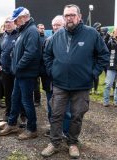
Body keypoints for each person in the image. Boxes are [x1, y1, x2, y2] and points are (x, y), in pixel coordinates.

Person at [41, 4, 109, 158]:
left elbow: (104, 55)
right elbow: (47, 54)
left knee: (77, 116)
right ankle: (54, 142)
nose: (69, 18)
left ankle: (72, 143)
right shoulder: (57, 35)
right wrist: (52, 71)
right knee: (56, 115)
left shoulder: (91, 34)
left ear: (79, 16)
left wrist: (93, 73)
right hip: (59, 85)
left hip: (81, 85)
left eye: (72, 15)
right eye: (66, 15)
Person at [0, 7, 41, 140]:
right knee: (14, 98)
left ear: (23, 17)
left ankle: (32, 129)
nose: (15, 23)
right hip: (20, 74)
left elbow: (30, 53)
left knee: (27, 101)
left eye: (16, 20)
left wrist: (17, 67)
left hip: (27, 74)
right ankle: (11, 123)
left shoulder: (31, 31)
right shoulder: (24, 30)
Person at [41, 15, 71, 138]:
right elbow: (45, 59)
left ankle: (66, 131)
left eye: (58, 25)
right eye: (53, 25)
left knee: (67, 110)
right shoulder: (48, 40)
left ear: (64, 25)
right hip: (50, 81)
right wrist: (51, 72)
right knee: (51, 107)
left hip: (66, 82)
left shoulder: (70, 40)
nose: (55, 27)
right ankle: (54, 129)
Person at [103, 27, 117, 107]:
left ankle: (116, 102)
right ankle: (106, 101)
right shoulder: (111, 42)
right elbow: (103, 46)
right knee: (108, 84)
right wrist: (108, 36)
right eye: (116, 32)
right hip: (111, 66)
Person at [34, 24, 48, 107]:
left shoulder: (47, 39)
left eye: (43, 28)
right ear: (37, 29)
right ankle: (37, 100)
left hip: (44, 65)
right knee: (36, 85)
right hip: (36, 65)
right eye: (40, 28)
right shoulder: (35, 39)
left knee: (47, 85)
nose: (42, 30)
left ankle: (50, 100)